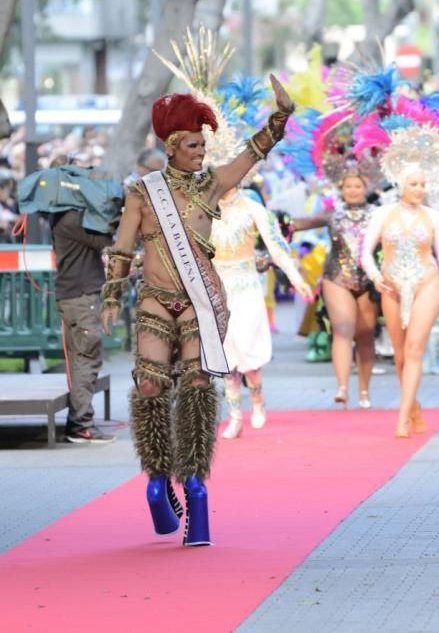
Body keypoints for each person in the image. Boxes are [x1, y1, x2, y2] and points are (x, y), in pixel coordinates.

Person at [101, 75, 295, 546]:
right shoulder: (143, 193)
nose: (200, 152)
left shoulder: (212, 185)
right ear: (171, 146)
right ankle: (156, 477)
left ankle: (195, 485)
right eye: (192, 144)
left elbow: (252, 153)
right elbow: (123, 249)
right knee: (149, 385)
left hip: (198, 303)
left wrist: (281, 116)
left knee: (196, 384)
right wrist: (110, 296)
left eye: (202, 144)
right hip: (152, 302)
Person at [360, 126, 439, 438]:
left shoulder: (433, 216)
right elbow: (365, 252)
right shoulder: (383, 213)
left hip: (427, 283)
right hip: (391, 287)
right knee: (401, 354)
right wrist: (377, 277)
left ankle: (402, 418)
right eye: (413, 184)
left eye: (423, 184)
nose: (419, 189)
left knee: (416, 349)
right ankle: (414, 408)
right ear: (401, 184)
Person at [211, 187, 312, 439]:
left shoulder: (253, 208)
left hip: (246, 288)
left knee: (247, 349)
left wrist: (296, 278)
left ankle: (257, 397)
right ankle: (235, 417)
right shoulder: (204, 206)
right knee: (224, 357)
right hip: (216, 289)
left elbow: (277, 247)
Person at [294, 171, 378, 408]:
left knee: (365, 334)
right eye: (348, 185)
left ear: (365, 187)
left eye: (357, 185)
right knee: (343, 330)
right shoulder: (333, 214)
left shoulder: (378, 215)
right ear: (341, 189)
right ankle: (342, 388)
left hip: (368, 280)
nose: (352, 190)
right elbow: (303, 223)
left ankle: (364, 391)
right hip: (336, 277)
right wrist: (275, 222)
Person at [52, 208, 116, 444]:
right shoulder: (72, 218)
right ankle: (82, 425)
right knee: (86, 359)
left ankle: (77, 421)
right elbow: (103, 240)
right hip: (81, 296)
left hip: (72, 295)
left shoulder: (59, 216)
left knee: (79, 357)